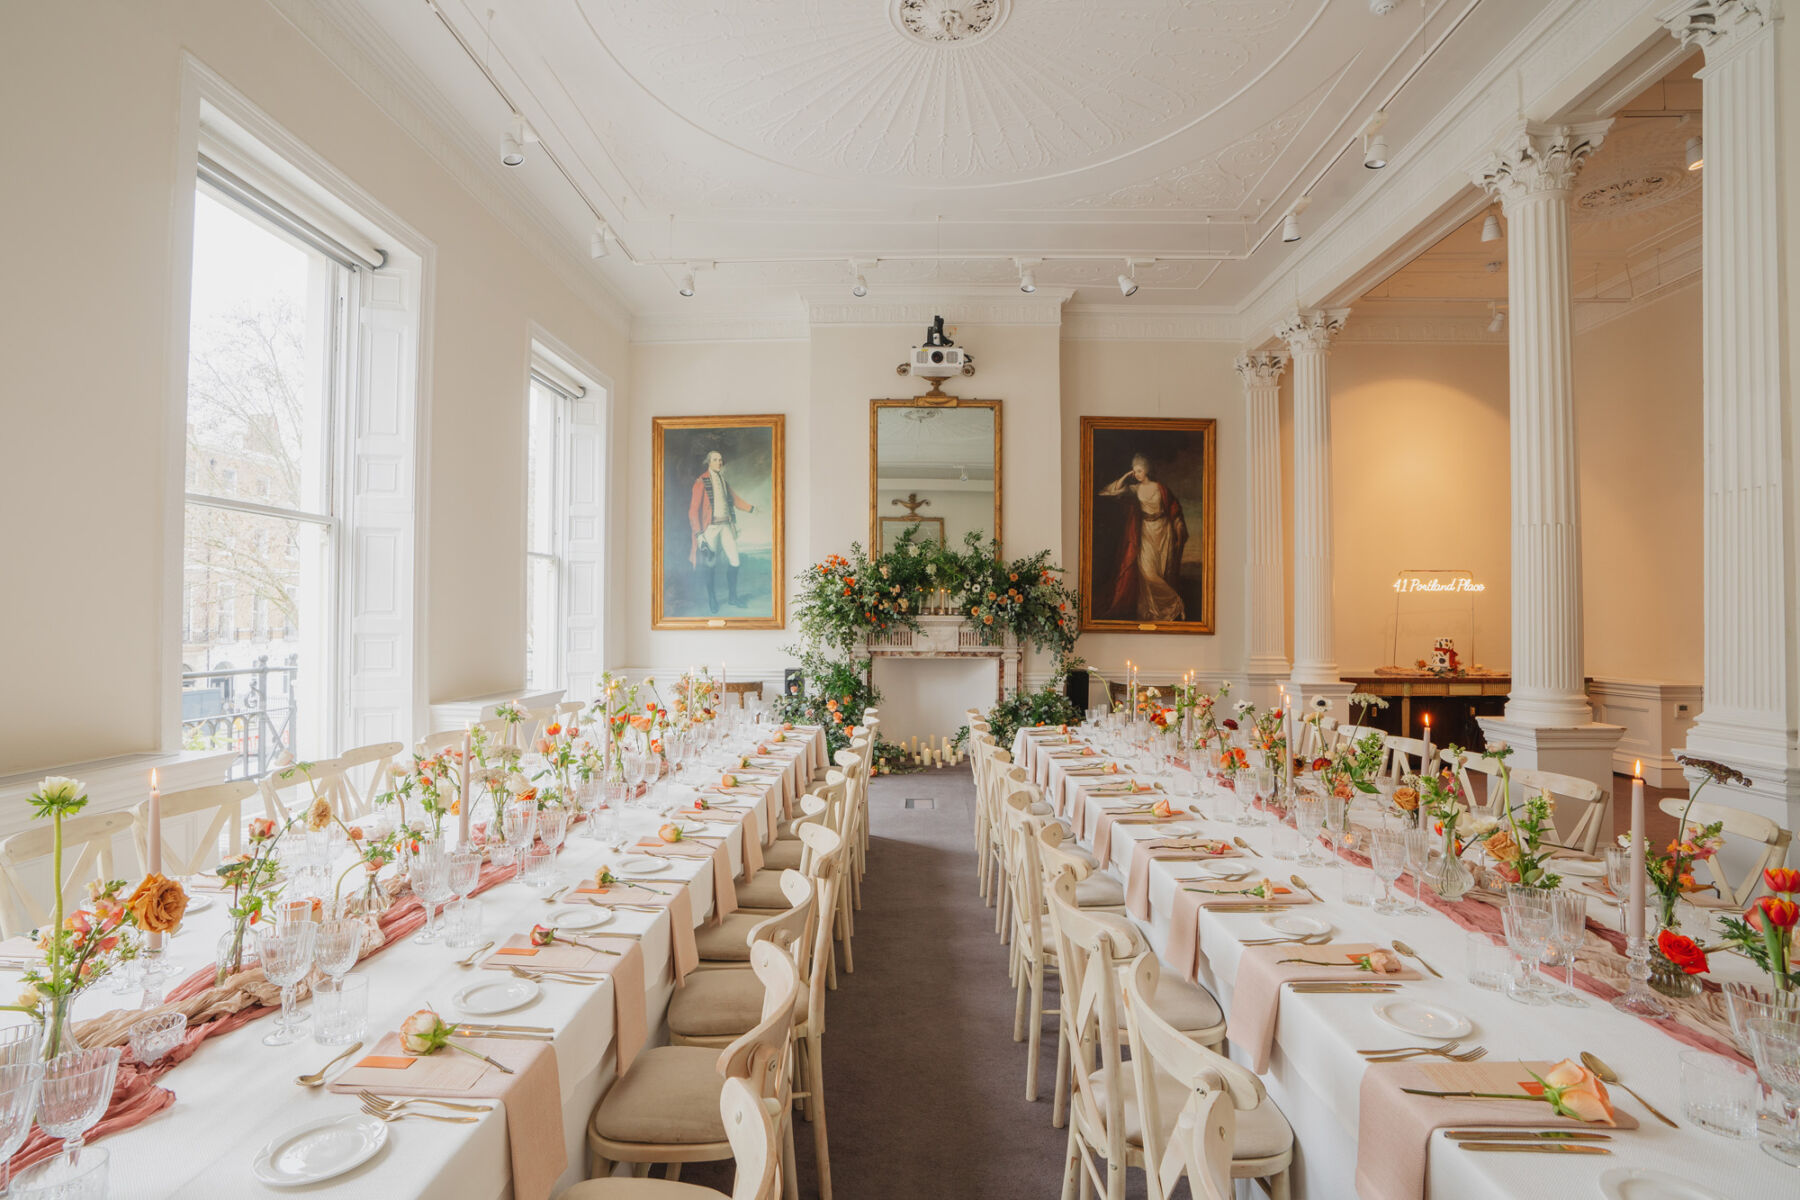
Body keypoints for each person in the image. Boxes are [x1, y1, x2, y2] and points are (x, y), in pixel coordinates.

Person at [1098, 453, 1186, 622]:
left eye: (1138, 471)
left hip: (1163, 531)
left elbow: (1173, 508)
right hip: (1146, 531)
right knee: (1148, 573)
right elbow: (1107, 492)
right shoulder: (1134, 489)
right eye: (1134, 471)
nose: (1136, 474)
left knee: (1161, 573)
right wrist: (1125, 476)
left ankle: (1159, 611)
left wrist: (1178, 525)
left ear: (1146, 471)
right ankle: (1176, 602)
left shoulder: (1160, 488)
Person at [688, 449, 755, 613]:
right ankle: (712, 598)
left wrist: (752, 509)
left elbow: (736, 500)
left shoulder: (724, 481)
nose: (719, 462)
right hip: (710, 529)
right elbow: (692, 511)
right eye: (716, 459)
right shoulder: (701, 481)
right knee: (710, 564)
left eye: (721, 459)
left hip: (726, 526)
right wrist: (699, 534)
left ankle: (732, 598)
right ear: (709, 462)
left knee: (735, 561)